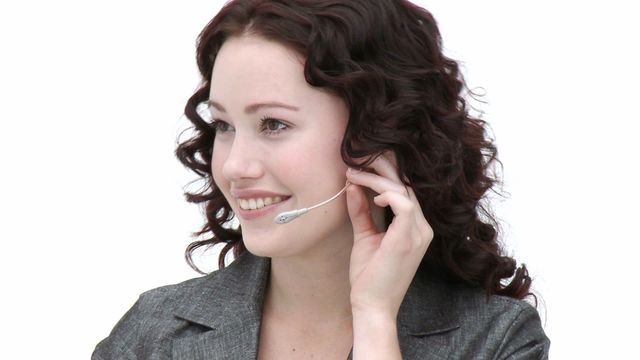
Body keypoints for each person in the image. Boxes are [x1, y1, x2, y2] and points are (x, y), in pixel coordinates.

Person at [93, 0, 550, 359]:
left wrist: (374, 321)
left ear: (378, 134)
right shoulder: (153, 334)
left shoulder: (495, 341)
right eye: (224, 126)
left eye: (273, 124)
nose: (234, 167)